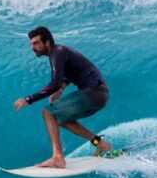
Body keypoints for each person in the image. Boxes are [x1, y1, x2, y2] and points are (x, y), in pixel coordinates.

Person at [12, 26, 114, 168]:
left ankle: (58, 157)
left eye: (36, 43)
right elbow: (75, 70)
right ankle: (100, 144)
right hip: (99, 95)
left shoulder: (57, 52)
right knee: (60, 119)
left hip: (93, 91)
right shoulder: (60, 52)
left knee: (47, 112)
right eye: (31, 44)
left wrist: (28, 100)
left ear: (47, 42)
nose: (32, 47)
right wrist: (63, 87)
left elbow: (54, 83)